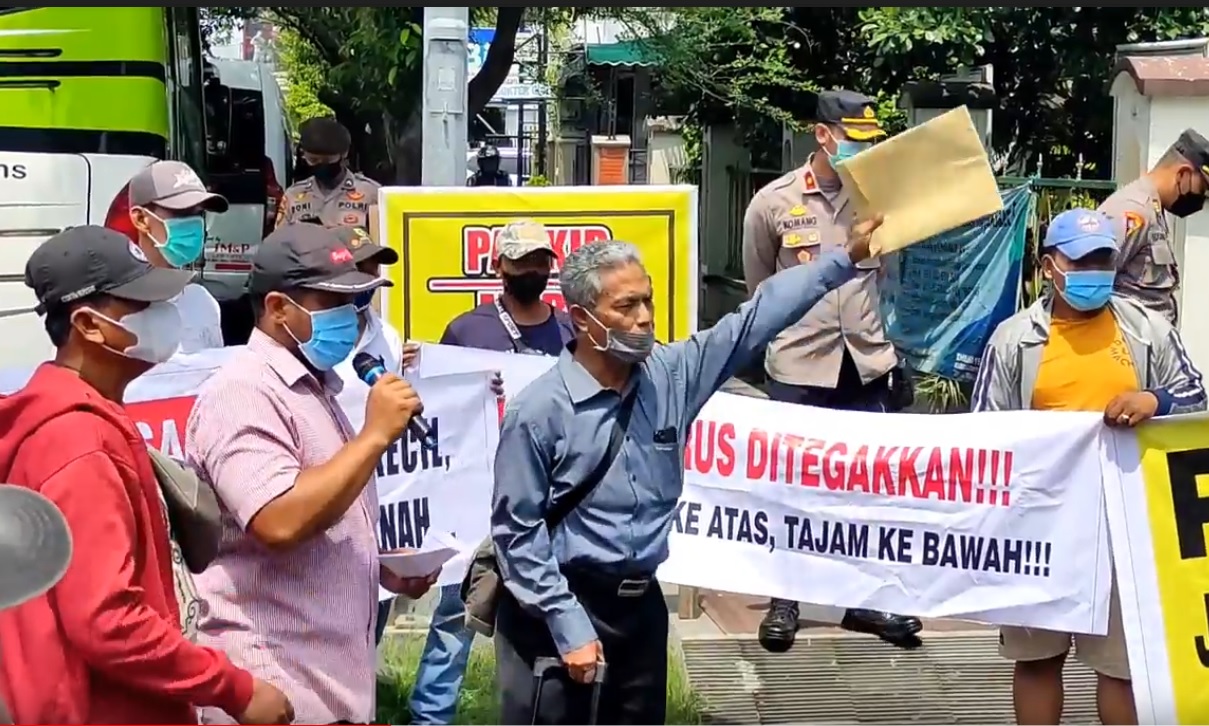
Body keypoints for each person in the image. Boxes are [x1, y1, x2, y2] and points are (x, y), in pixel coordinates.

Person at [492, 218, 882, 725]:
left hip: (641, 614)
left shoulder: (673, 374)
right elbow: (516, 532)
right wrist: (568, 624)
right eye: (626, 306)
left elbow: (756, 318)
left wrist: (844, 258)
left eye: (647, 301)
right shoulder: (539, 411)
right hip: (559, 611)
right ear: (583, 318)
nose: (644, 318)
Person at [0, 226, 291, 725]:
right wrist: (234, 688)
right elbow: (106, 620)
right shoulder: (78, 442)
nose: (165, 315)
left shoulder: (81, 419)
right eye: (143, 303)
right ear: (90, 325)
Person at [185, 223, 437, 724]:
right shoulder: (243, 393)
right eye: (338, 302)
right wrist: (374, 436)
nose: (356, 318)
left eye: (362, 302)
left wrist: (375, 565)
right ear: (279, 308)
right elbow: (278, 520)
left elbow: (315, 508)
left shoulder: (313, 387)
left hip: (330, 687)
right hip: (275, 684)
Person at [972, 208, 1206, 726]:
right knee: (1037, 660)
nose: (1092, 271)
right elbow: (982, 433)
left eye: (1102, 259)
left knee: (1123, 668)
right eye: (1078, 261)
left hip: (1126, 526)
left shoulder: (1148, 330)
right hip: (1039, 529)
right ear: (1048, 266)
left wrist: (1155, 400)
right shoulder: (1013, 341)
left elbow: (1196, 397)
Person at [741, 88, 922, 653]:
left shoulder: (879, 199)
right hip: (799, 363)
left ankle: (863, 600)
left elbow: (886, 276)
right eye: (854, 138)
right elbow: (759, 286)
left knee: (865, 485)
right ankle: (785, 599)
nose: (863, 150)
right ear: (824, 135)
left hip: (864, 361)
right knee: (789, 486)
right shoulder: (773, 202)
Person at [406, 221, 572, 725]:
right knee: (457, 614)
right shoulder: (465, 330)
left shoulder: (570, 331)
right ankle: (431, 717)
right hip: (480, 499)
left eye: (539, 262)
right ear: (499, 266)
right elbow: (436, 403)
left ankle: (554, 709)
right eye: (521, 262)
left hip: (552, 500)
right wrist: (416, 364)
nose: (531, 272)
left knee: (555, 615)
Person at [1098, 127, 1209, 326]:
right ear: (1183, 174)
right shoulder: (1133, 211)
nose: (1201, 199)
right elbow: (1093, 282)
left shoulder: (1153, 209)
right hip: (1127, 345)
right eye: (1201, 189)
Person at [128, 159, 230, 353]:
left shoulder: (203, 302)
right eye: (181, 212)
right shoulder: (115, 307)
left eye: (198, 214)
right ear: (141, 219)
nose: (193, 223)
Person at [277, 117, 380, 229]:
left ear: (344, 154)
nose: (320, 165)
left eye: (327, 160)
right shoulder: (293, 196)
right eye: (313, 160)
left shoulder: (371, 194)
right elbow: (278, 242)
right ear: (303, 155)